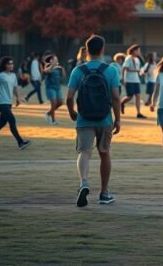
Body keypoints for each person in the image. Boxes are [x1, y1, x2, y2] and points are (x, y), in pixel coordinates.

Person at [66, 34, 121, 207]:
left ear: (87, 50)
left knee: (84, 152)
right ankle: (104, 193)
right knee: (104, 153)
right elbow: (116, 98)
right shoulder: (111, 70)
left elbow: (69, 97)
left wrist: (72, 112)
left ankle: (83, 183)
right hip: (104, 119)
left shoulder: (78, 70)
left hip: (84, 118)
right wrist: (117, 119)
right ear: (102, 49)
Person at [0, 57, 31, 149]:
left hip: (8, 103)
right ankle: (20, 142)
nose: (11, 65)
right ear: (4, 65)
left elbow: (14, 88)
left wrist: (17, 98)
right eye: (9, 64)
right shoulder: (1, 76)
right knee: (12, 120)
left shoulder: (13, 76)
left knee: (2, 123)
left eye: (12, 63)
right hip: (1, 102)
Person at [120, 45, 146, 118]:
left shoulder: (137, 59)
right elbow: (124, 68)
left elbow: (139, 69)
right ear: (134, 51)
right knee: (130, 96)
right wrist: (123, 79)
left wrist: (141, 73)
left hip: (136, 80)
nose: (139, 52)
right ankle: (121, 103)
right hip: (129, 80)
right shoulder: (128, 58)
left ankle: (138, 113)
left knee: (138, 95)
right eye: (138, 50)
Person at [43, 54, 66, 125]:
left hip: (57, 88)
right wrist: (52, 65)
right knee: (54, 103)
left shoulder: (59, 68)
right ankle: (53, 121)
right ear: (51, 60)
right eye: (55, 59)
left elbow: (63, 78)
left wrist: (63, 70)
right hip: (50, 88)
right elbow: (46, 71)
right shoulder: (48, 66)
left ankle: (48, 113)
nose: (56, 60)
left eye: (57, 59)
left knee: (60, 102)